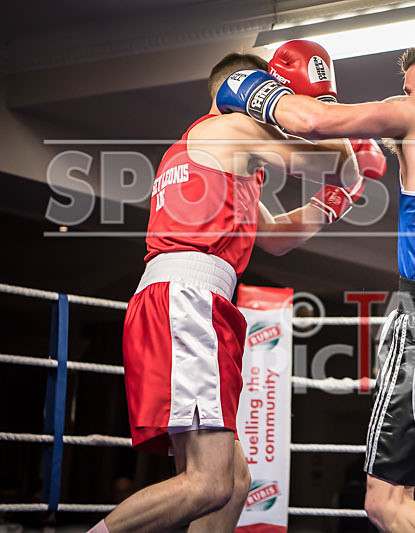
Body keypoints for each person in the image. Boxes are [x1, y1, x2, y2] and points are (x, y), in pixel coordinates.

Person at [215, 37, 415, 532]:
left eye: (409, 88)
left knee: (385, 502)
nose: (403, 97)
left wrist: (250, 87)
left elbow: (313, 122)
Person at [89, 45, 385, 533]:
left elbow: (278, 239)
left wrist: (341, 197)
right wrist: (340, 126)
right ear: (253, 92)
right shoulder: (230, 128)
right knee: (208, 484)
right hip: (188, 301)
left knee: (233, 480)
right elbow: (320, 146)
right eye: (275, 94)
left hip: (185, 301)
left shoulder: (215, 150)